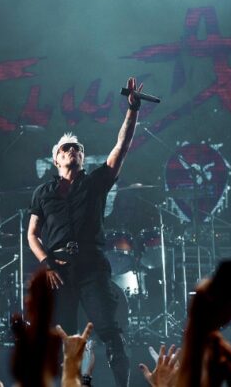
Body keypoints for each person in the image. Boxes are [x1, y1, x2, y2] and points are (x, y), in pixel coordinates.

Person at [27, 77, 144, 387]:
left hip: (92, 266)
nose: (73, 151)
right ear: (56, 158)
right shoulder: (43, 193)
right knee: (63, 337)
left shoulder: (94, 183)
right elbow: (32, 234)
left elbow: (121, 147)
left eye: (78, 149)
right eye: (67, 149)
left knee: (111, 333)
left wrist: (132, 110)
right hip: (58, 270)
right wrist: (47, 263)